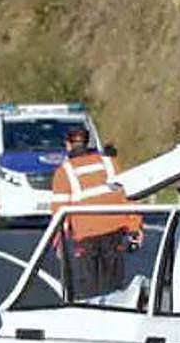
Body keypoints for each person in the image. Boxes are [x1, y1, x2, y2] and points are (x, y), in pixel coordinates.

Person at [50, 127, 141, 299]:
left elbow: (59, 213)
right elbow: (129, 197)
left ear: (68, 145)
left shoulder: (64, 172)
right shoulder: (109, 163)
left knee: (88, 292)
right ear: (88, 142)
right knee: (115, 292)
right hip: (114, 234)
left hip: (86, 238)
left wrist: (59, 242)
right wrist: (135, 229)